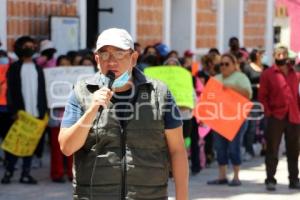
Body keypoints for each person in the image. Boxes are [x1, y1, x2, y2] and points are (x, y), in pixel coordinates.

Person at [58, 28, 189, 200]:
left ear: (133, 58)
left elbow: (177, 150)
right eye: (104, 54)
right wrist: (91, 110)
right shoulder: (81, 92)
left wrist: (182, 197)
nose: (111, 61)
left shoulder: (159, 93)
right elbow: (67, 147)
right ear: (97, 60)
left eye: (119, 53)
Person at [1, 36, 47, 184]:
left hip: (36, 113)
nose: (30, 48)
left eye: (32, 45)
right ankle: (9, 172)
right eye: (26, 45)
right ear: (19, 48)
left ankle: (25, 174)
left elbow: (43, 91)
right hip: (20, 114)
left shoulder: (38, 68)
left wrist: (43, 110)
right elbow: (10, 92)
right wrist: (13, 111)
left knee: (30, 143)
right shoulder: (14, 68)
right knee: (14, 143)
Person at [258, 46, 300, 191]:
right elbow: (262, 96)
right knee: (272, 150)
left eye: (283, 54)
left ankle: (294, 179)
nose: (281, 56)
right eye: (278, 54)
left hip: (294, 116)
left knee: (294, 151)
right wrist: (269, 113)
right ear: (275, 56)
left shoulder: (295, 74)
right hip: (275, 116)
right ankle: (270, 179)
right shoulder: (268, 74)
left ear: (287, 56)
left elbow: (297, 95)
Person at [207, 53, 252, 187]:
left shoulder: (241, 77)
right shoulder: (216, 78)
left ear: (234, 65)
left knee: (234, 148)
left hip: (236, 119)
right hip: (219, 118)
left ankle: (236, 177)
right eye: (221, 64)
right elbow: (209, 97)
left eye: (227, 64)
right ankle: (222, 177)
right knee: (220, 148)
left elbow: (248, 94)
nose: (224, 67)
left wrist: (231, 89)